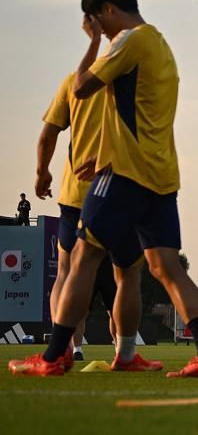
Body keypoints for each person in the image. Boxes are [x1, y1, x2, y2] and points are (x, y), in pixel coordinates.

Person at [9, 0, 198, 377]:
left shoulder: (129, 40)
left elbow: (82, 87)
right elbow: (135, 113)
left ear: (107, 9)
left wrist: (91, 43)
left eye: (96, 23)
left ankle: (54, 357)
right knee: (166, 267)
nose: (100, 32)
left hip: (126, 175)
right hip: (160, 175)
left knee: (83, 259)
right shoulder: (160, 45)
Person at [36, 73, 126, 364]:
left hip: (79, 197)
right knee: (123, 278)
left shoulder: (74, 82)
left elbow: (48, 134)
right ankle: (121, 352)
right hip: (108, 198)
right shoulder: (129, 84)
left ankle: (64, 349)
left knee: (69, 274)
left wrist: (42, 172)